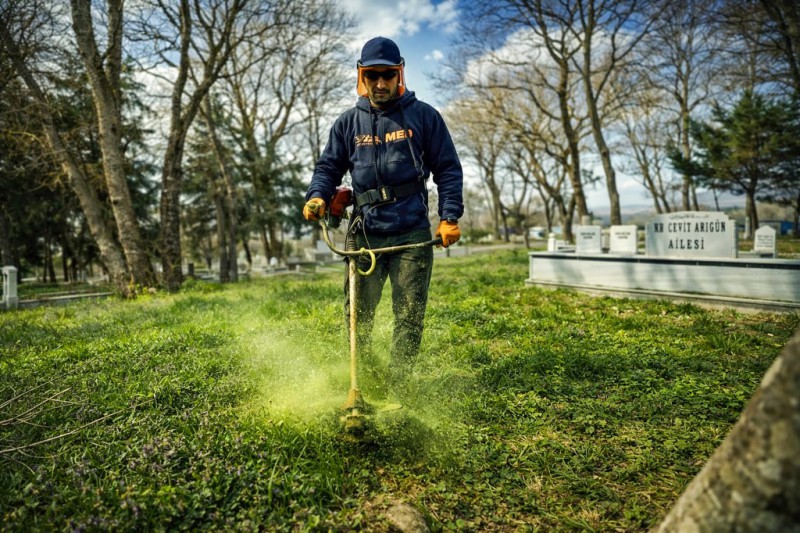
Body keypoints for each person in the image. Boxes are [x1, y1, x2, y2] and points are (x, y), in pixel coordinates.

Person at [302, 36, 464, 392]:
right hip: (365, 234)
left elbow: (448, 169)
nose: (380, 83)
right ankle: (363, 381)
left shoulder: (424, 117)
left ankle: (399, 385)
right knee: (358, 316)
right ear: (362, 75)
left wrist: (450, 216)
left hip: (411, 233)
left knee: (408, 316)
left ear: (399, 74)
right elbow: (328, 168)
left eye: (387, 75)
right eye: (372, 75)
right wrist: (317, 196)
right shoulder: (348, 123)